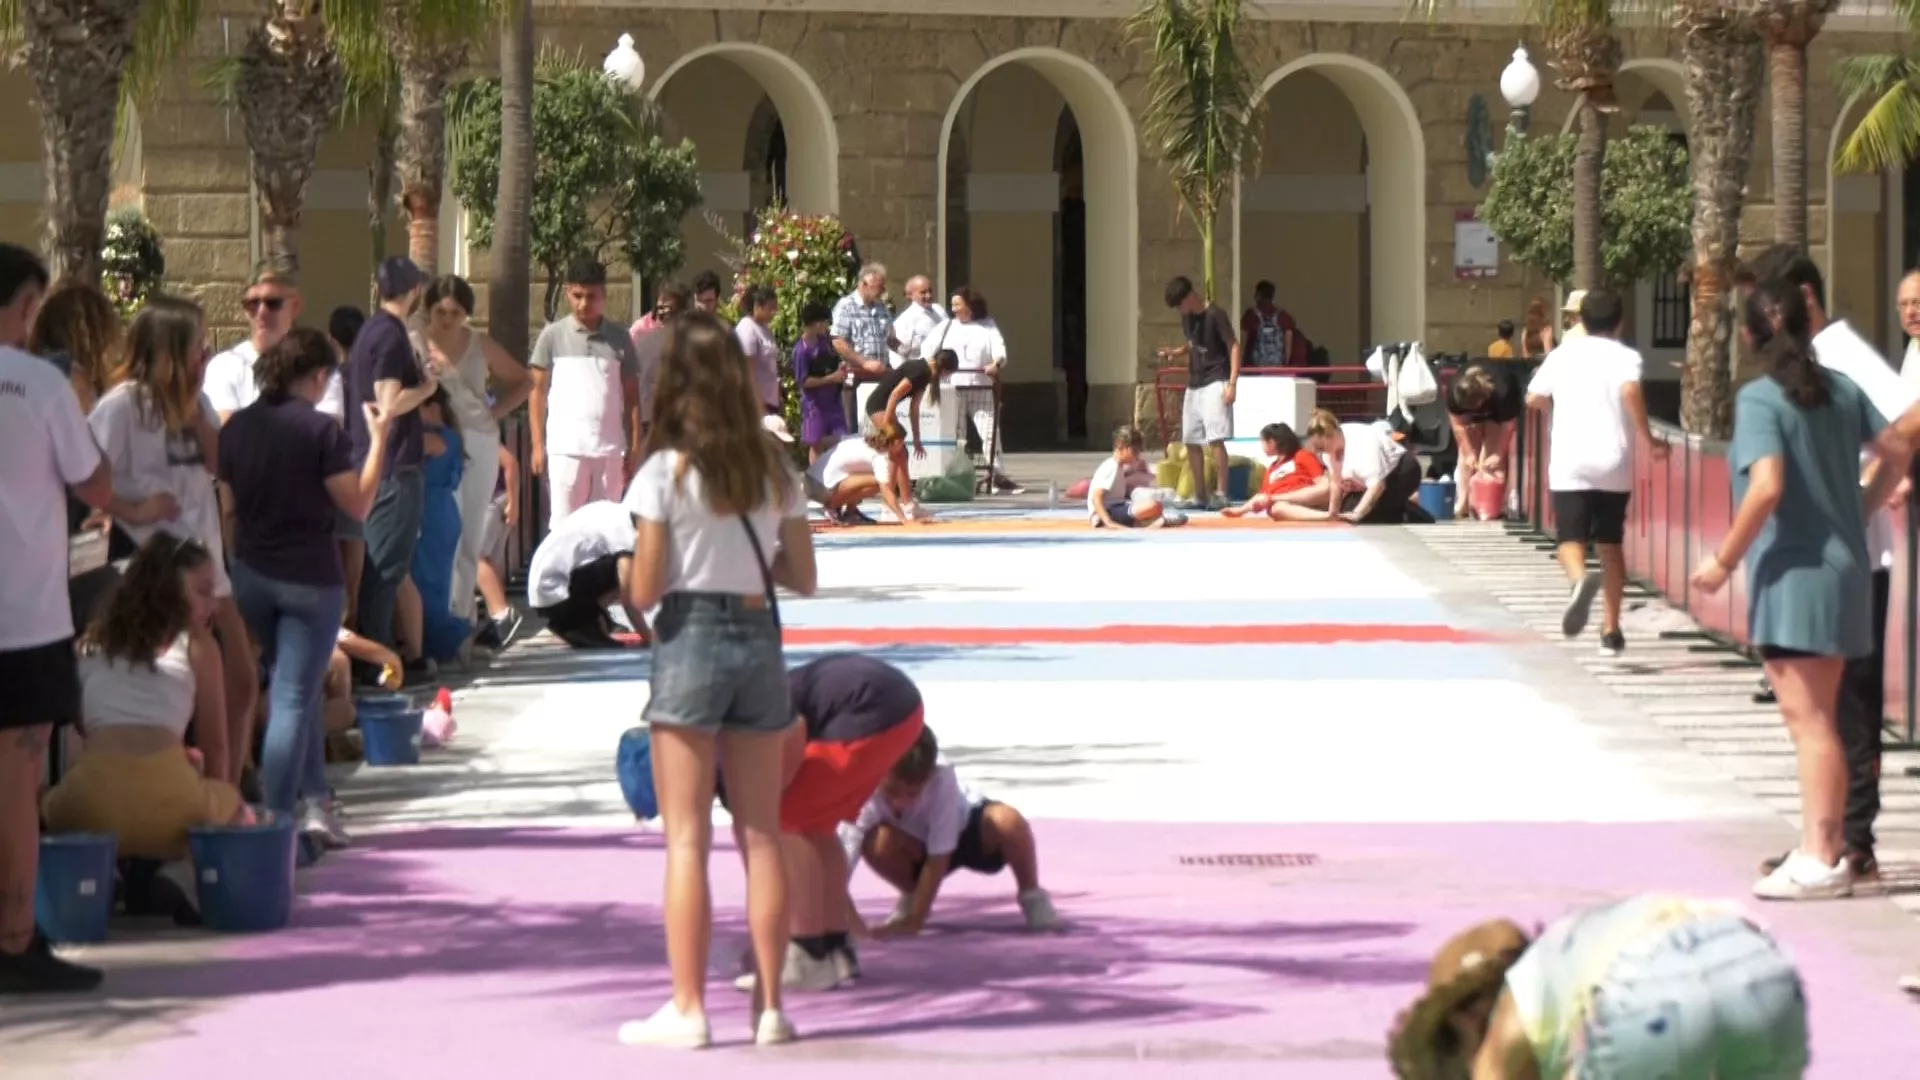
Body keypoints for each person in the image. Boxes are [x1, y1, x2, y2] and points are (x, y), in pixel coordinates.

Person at [616, 311, 818, 1050]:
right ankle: (771, 1008)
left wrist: (627, 569)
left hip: (690, 636)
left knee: (687, 840)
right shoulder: (775, 470)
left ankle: (689, 1008)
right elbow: (804, 577)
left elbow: (644, 590)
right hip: (758, 637)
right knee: (761, 834)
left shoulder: (663, 474)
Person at [1690, 276, 1908, 901]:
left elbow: (1766, 486)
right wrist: (1860, 506)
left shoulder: (1762, 399)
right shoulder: (1841, 389)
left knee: (1808, 721)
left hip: (1792, 572)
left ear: (1750, 335)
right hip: (1844, 569)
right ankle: (1827, 847)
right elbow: (1897, 449)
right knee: (1826, 720)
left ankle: (1820, 854)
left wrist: (1722, 561)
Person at [0, 242, 168, 994]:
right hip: (23, 615)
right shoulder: (39, 383)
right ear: (25, 306)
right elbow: (94, 482)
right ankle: (13, 939)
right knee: (17, 778)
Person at [1744, 245, 1914, 889]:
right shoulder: (1802, 367)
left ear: (1803, 300)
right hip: (1821, 559)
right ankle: (1827, 837)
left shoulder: (1842, 354)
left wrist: (1862, 496)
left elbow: (1905, 423)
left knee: (1850, 708)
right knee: (1822, 710)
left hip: (1854, 557)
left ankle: (1852, 841)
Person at [221, 327, 396, 849]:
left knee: (295, 686)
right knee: (294, 695)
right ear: (319, 376)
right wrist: (380, 439)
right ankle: (279, 821)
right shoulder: (320, 431)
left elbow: (228, 510)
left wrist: (238, 566)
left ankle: (316, 801)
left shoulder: (235, 429)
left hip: (252, 573)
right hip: (308, 577)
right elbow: (358, 504)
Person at [89, 296, 258, 783]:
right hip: (155, 564)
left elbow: (218, 464)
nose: (206, 353)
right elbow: (85, 479)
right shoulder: (123, 405)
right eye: (197, 344)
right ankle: (203, 790)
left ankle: (228, 785)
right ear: (170, 350)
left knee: (242, 679)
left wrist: (198, 418)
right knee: (189, 681)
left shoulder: (196, 402)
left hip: (205, 557)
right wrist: (133, 509)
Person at [1387, 895, 1807, 1079]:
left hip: (1651, 996)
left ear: (1465, 1019)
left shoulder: (1513, 1016)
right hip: (1754, 965)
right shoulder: (1571, 953)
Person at [42, 536, 251, 903]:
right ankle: (183, 873)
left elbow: (85, 728)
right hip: (171, 810)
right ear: (170, 589)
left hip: (86, 806)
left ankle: (98, 870)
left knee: (43, 803)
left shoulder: (90, 642)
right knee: (238, 808)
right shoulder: (199, 646)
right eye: (203, 591)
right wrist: (216, 812)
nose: (213, 605)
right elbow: (217, 751)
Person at [1525, 288, 1663, 656]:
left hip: (1570, 460)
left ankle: (1579, 581)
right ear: (1620, 321)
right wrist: (1648, 438)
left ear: (1582, 321)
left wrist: (1555, 406)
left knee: (1570, 540)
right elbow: (1630, 391)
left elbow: (1533, 397)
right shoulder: (1625, 356)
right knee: (1610, 545)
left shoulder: (1561, 355)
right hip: (1613, 461)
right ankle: (1611, 630)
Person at [843, 726, 1060, 938]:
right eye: (892, 791)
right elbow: (839, 865)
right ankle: (913, 894)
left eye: (912, 793)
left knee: (1009, 822)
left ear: (930, 776)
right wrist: (853, 926)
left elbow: (939, 855)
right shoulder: (863, 789)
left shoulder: (942, 775)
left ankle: (1032, 895)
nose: (900, 801)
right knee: (876, 841)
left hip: (963, 830)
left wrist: (915, 921)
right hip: (914, 848)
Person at [421, 275, 531, 629]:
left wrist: (494, 414)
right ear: (429, 310)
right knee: (439, 530)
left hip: (479, 439)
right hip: (435, 440)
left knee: (470, 533)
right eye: (440, 312)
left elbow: (525, 380)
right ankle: (437, 617)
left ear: (466, 313)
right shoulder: (415, 342)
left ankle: (462, 620)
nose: (447, 320)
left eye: (455, 313)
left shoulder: (479, 343)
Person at [345, 256, 435, 656]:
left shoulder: (371, 330)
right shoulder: (390, 336)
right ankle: (378, 663)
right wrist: (428, 388)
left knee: (379, 567)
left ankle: (377, 658)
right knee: (385, 569)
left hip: (373, 464)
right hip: (393, 468)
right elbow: (389, 403)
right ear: (415, 290)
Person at [529, 258, 643, 526]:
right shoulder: (552, 336)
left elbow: (632, 397)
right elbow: (537, 391)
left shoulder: (620, 338)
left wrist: (635, 446)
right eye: (577, 295)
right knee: (564, 528)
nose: (583, 303)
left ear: (604, 294)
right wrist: (537, 445)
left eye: (591, 296)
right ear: (568, 292)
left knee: (607, 528)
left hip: (610, 451)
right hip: (566, 450)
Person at [1158, 275, 1240, 512]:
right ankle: (1200, 494)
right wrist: (1176, 352)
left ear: (1189, 297)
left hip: (1216, 379)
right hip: (1194, 382)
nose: (1179, 310)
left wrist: (1232, 383)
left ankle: (1221, 493)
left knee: (1215, 439)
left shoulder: (1215, 315)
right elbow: (1193, 343)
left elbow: (1233, 345)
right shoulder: (1187, 318)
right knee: (1191, 440)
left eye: (1179, 305)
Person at [406, 386, 472, 664]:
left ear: (433, 407)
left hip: (432, 515)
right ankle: (445, 641)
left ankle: (450, 638)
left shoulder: (439, 437)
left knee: (427, 584)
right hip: (439, 513)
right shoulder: (450, 436)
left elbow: (410, 447)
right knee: (431, 583)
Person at [526, 499, 645, 649]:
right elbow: (628, 595)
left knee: (627, 565)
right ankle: (579, 621)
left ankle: (578, 622)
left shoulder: (616, 513)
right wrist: (648, 636)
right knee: (628, 567)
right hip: (556, 592)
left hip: (547, 591)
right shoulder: (627, 532)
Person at [936, 286, 1021, 493]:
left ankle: (997, 475)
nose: (953, 309)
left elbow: (999, 349)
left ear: (970, 306)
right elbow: (928, 349)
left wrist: (996, 363)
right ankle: (956, 473)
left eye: (958, 304)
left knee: (990, 432)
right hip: (953, 387)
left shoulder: (987, 326)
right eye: (952, 305)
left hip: (981, 387)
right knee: (957, 435)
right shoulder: (947, 326)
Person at [203, 258, 303, 422]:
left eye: (272, 303)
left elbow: (321, 431)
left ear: (295, 307)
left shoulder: (317, 369)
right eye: (253, 304)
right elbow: (229, 430)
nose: (261, 312)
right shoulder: (224, 366)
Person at [1304, 410, 1423, 524]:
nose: (1317, 451)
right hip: (1369, 483)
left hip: (1401, 471)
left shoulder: (1362, 443)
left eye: (1320, 446)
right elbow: (1336, 484)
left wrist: (1357, 514)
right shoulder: (1328, 453)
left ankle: (1412, 514)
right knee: (1346, 511)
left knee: (1368, 515)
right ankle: (1395, 508)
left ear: (1330, 436)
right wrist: (1333, 513)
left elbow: (1378, 485)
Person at [326, 306, 368, 626]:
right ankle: (353, 621)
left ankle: (343, 627)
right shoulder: (375, 377)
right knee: (356, 552)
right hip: (371, 465)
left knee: (337, 555)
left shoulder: (334, 377)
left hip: (342, 467)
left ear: (332, 338)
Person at [1445, 363, 1524, 519]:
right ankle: (1463, 502)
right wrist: (1468, 453)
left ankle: (1493, 505)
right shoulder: (1455, 391)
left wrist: (1498, 454)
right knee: (1467, 457)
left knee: (1492, 459)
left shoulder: (1504, 391)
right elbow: (1458, 426)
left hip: (1498, 410)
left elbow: (1508, 427)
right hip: (1472, 406)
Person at [1222, 422, 1329, 521]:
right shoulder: (1271, 469)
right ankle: (1326, 516)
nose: (1262, 446)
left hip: (1309, 496)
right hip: (1285, 503)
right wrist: (1240, 511)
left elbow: (1322, 483)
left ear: (1271, 442)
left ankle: (1326, 513)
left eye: (1262, 441)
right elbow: (1262, 496)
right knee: (1276, 509)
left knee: (1326, 488)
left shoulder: (1302, 455)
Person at [808, 428, 914, 527]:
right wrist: (903, 519)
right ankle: (832, 507)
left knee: (873, 477)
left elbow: (826, 441)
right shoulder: (879, 456)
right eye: (901, 443)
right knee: (878, 482)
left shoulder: (859, 439)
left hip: (812, 481)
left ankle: (850, 512)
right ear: (895, 443)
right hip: (820, 488)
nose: (903, 447)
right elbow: (886, 490)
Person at [794, 301, 851, 462]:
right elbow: (803, 381)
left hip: (833, 401)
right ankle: (815, 475)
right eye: (825, 322)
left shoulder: (826, 342)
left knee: (842, 438)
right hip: (814, 405)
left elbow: (833, 363)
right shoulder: (801, 350)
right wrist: (830, 379)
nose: (827, 326)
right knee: (816, 444)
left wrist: (841, 369)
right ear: (816, 323)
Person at [1087, 424, 1167, 529]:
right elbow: (1096, 497)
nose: (1137, 456)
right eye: (1134, 451)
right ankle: (1135, 523)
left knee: (1156, 509)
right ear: (1120, 446)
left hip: (1117, 507)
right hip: (1108, 511)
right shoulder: (1111, 467)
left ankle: (1141, 523)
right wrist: (1109, 522)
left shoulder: (1119, 468)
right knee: (1154, 506)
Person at [735, 284, 783, 415]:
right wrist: (758, 405)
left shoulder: (765, 329)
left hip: (770, 401)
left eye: (775, 308)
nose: (773, 312)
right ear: (757, 306)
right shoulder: (747, 328)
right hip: (755, 404)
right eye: (770, 308)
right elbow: (747, 371)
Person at [1239, 280, 1297, 369]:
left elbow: (1242, 344)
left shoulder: (1250, 315)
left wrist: (1240, 365)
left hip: (1255, 370)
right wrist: (1285, 363)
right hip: (1277, 368)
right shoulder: (1283, 316)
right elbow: (1288, 347)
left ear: (1258, 295)